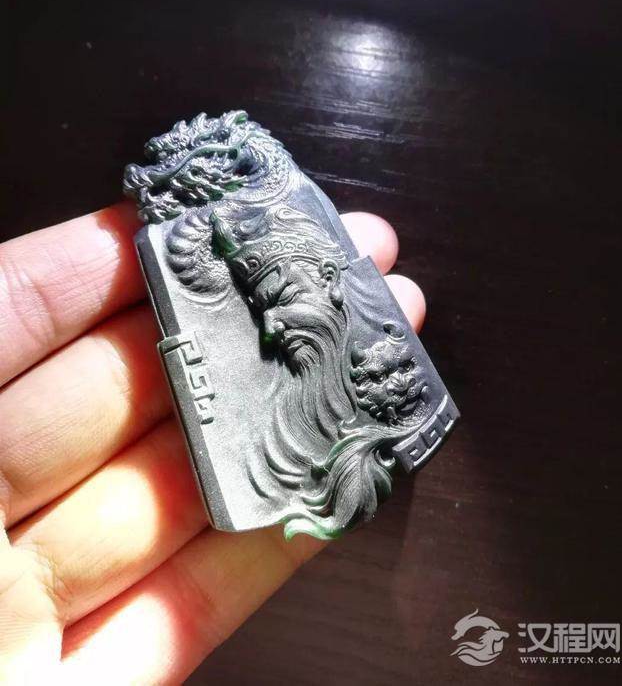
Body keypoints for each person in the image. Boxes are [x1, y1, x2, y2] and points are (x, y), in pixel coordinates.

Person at [0, 203, 426, 683]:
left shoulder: (394, 386)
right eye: (261, 309)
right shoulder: (284, 440)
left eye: (281, 298)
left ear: (329, 277)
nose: (270, 327)